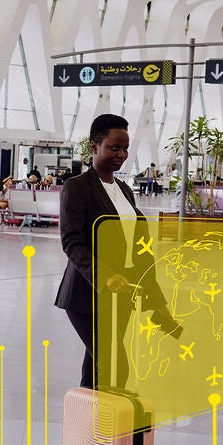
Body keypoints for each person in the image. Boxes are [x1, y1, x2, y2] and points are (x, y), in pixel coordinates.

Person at [56, 113, 180, 391]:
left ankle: (89, 425)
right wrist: (105, 277)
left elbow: (139, 251)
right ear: (94, 147)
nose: (122, 154)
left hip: (121, 296)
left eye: (125, 149)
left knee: (96, 364)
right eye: (114, 147)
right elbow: (72, 242)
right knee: (114, 361)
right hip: (87, 294)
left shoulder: (125, 191)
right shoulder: (76, 188)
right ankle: (113, 424)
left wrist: (155, 299)